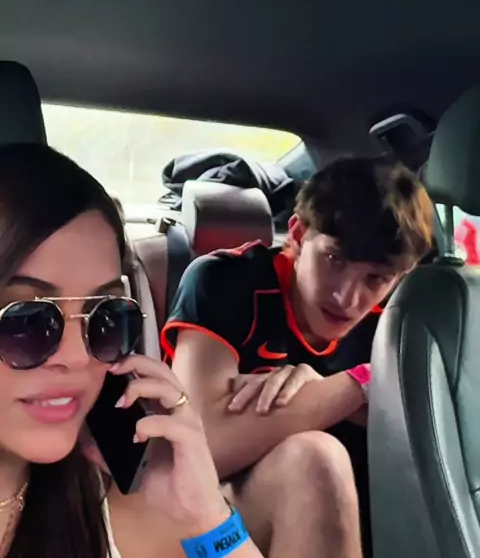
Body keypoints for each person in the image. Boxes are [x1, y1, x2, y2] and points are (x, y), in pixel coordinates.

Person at [0, 142, 266, 558]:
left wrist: (205, 516)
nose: (78, 356)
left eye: (104, 318)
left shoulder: (119, 508)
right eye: (28, 320)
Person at [162, 157, 435, 558]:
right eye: (334, 259)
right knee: (314, 460)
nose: (347, 297)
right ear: (298, 233)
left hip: (365, 524)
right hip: (212, 514)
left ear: (401, 277)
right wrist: (359, 386)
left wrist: (311, 395)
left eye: (376, 278)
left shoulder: (403, 320)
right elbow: (203, 451)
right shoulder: (226, 281)